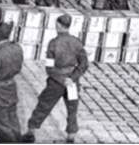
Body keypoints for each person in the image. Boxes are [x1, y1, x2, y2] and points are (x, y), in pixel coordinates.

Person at [23, 15, 89, 144]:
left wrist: (61, 80)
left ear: (58, 25)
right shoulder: (77, 42)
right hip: (72, 82)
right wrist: (71, 79)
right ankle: (71, 135)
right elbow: (84, 64)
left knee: (44, 105)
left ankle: (31, 132)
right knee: (72, 108)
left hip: (56, 81)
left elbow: (49, 67)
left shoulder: (53, 43)